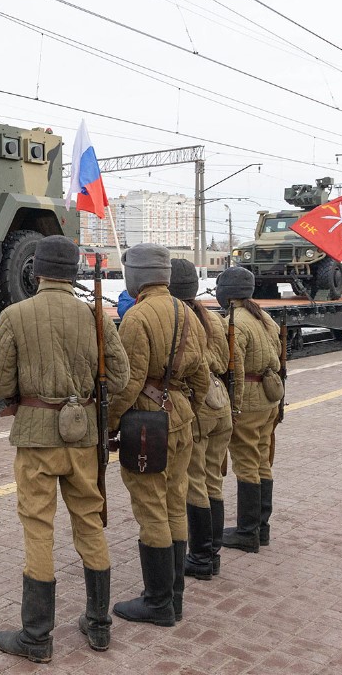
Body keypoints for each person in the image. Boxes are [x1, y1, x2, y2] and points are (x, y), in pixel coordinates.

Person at [0, 235, 130, 663]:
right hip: (84, 438)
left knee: (38, 529)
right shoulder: (96, 316)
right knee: (90, 523)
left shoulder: (16, 315)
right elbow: (118, 377)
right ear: (75, 272)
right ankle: (99, 626)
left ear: (37, 271)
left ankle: (36, 637)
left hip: (35, 438)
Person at [109, 245, 207, 627]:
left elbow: (130, 382)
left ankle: (158, 603)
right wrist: (188, 413)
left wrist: (111, 425)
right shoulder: (188, 312)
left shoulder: (137, 317)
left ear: (137, 276)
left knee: (151, 508)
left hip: (148, 423)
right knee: (174, 502)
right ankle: (175, 599)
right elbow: (200, 375)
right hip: (181, 417)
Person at [166, 260, 232, 580]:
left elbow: (192, 370)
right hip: (221, 402)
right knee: (213, 479)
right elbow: (224, 361)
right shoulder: (213, 319)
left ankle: (202, 557)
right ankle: (213, 552)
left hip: (199, 403)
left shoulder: (179, 320)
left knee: (194, 483)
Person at [218, 266, 283, 555]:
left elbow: (234, 370)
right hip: (270, 398)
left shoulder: (234, 322)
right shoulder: (264, 317)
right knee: (261, 461)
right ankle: (261, 528)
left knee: (246, 464)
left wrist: (233, 407)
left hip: (249, 401)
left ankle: (247, 533)